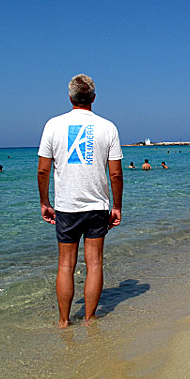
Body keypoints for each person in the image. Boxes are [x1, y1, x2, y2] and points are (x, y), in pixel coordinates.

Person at [37, 74, 123, 328]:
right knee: (94, 262)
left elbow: (43, 170)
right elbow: (115, 173)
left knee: (66, 264)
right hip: (97, 206)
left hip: (66, 206)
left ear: (70, 97)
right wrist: (116, 206)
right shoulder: (108, 127)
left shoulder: (53, 125)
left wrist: (45, 202)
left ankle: (64, 322)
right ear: (93, 98)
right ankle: (90, 318)